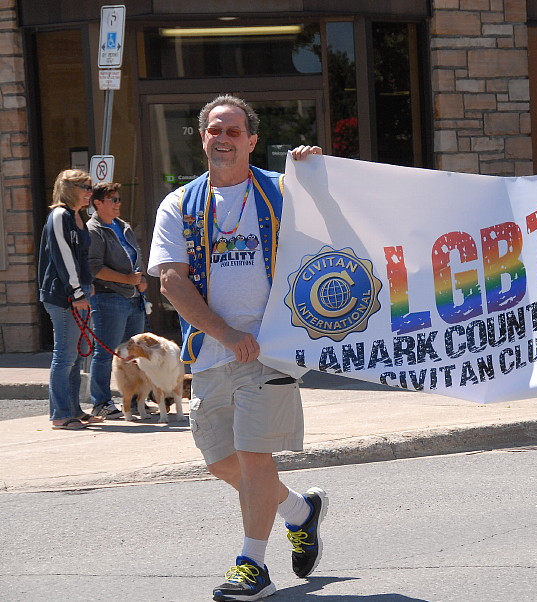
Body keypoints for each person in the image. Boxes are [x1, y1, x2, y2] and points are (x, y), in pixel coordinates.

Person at [148, 94, 326, 602]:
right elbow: (172, 283)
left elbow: (340, 228)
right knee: (220, 460)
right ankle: (299, 511)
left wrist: (319, 177)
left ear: (252, 140)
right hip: (212, 350)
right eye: (213, 130)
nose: (222, 138)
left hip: (272, 349)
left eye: (233, 130)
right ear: (203, 138)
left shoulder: (283, 193)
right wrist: (227, 336)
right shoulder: (180, 204)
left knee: (252, 455)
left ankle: (252, 566)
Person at [38, 169, 105, 430]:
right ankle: (60, 414)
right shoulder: (59, 215)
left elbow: (82, 258)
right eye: (84, 187)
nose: (90, 192)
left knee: (76, 356)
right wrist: (78, 292)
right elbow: (63, 256)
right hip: (63, 295)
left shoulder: (78, 216)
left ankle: (74, 410)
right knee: (64, 356)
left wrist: (88, 286)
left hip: (80, 292)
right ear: (69, 189)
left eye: (90, 187)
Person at [87, 181, 148, 419]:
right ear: (98, 203)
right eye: (113, 200)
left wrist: (140, 281)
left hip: (133, 297)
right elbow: (94, 268)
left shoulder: (123, 226)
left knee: (133, 353)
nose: (118, 204)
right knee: (105, 353)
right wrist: (127, 278)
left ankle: (132, 401)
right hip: (109, 298)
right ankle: (100, 402)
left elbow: (135, 257)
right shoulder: (94, 230)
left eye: (119, 199)